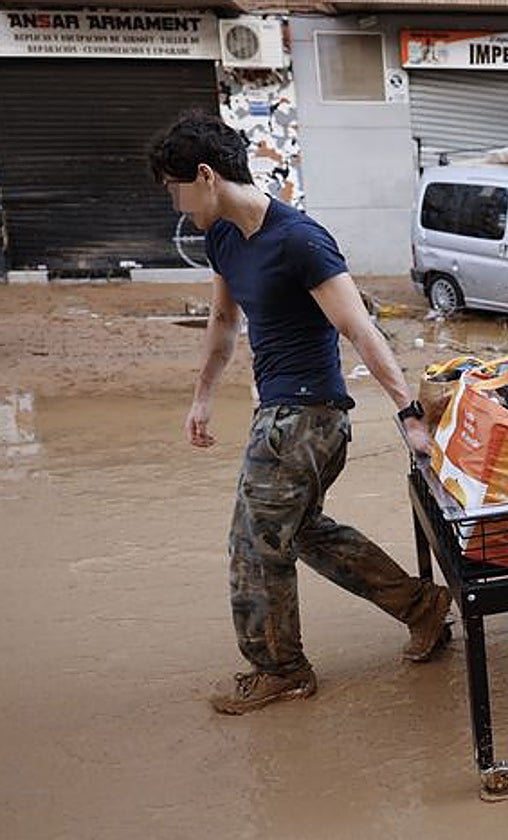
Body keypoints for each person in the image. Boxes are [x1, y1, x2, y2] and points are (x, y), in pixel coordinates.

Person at [149, 112, 451, 715]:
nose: (175, 204)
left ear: (204, 176)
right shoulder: (224, 239)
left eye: (173, 188)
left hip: (309, 416)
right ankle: (422, 607)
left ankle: (280, 670)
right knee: (302, 529)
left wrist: (408, 414)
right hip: (279, 412)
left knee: (253, 545)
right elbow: (224, 322)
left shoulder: (300, 238)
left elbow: (357, 327)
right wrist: (203, 394)